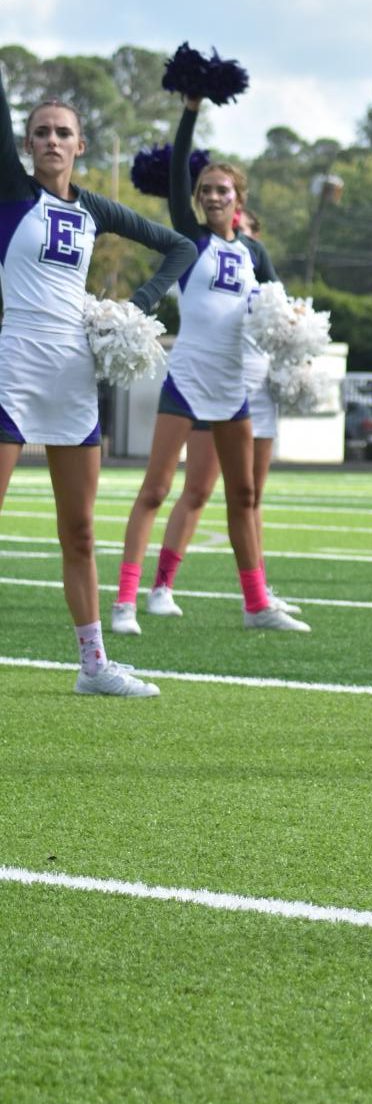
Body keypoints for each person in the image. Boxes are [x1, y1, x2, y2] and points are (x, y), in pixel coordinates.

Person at [0, 77, 195, 696]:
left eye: (63, 132)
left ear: (80, 145)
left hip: (74, 371)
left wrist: (133, 308)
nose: (52, 140)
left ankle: (93, 665)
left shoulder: (93, 209)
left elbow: (179, 246)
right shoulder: (11, 192)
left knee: (80, 530)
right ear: (26, 146)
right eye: (41, 133)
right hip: (14, 363)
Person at [112, 97, 309, 635]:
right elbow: (178, 174)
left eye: (223, 190)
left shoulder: (252, 254)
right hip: (188, 377)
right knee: (156, 489)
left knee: (243, 495)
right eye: (207, 191)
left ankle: (254, 604)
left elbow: (277, 309)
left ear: (239, 200)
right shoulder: (188, 239)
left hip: (233, 387)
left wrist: (294, 330)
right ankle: (127, 601)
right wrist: (190, 112)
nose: (213, 197)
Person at [141, 208, 301, 621]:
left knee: (249, 499)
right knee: (197, 490)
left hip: (257, 394)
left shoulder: (256, 270)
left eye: (246, 230)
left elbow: (282, 321)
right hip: (215, 388)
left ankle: (257, 592)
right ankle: (162, 585)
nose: (237, 238)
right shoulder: (207, 264)